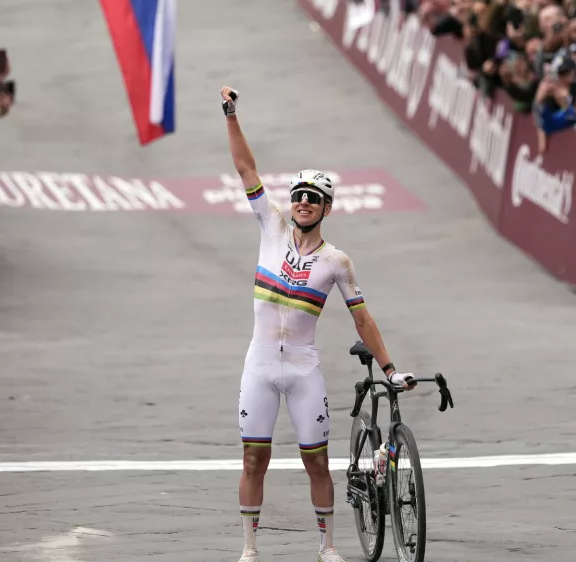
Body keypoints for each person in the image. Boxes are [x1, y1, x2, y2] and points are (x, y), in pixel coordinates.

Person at [220, 86, 416, 562]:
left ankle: (326, 546)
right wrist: (230, 116)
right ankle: (249, 548)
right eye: (299, 196)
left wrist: (390, 369)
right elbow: (247, 169)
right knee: (253, 458)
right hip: (260, 365)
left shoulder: (337, 262)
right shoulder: (271, 226)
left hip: (304, 367)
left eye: (314, 198)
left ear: (327, 208)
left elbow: (362, 318)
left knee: (318, 462)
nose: (304, 202)